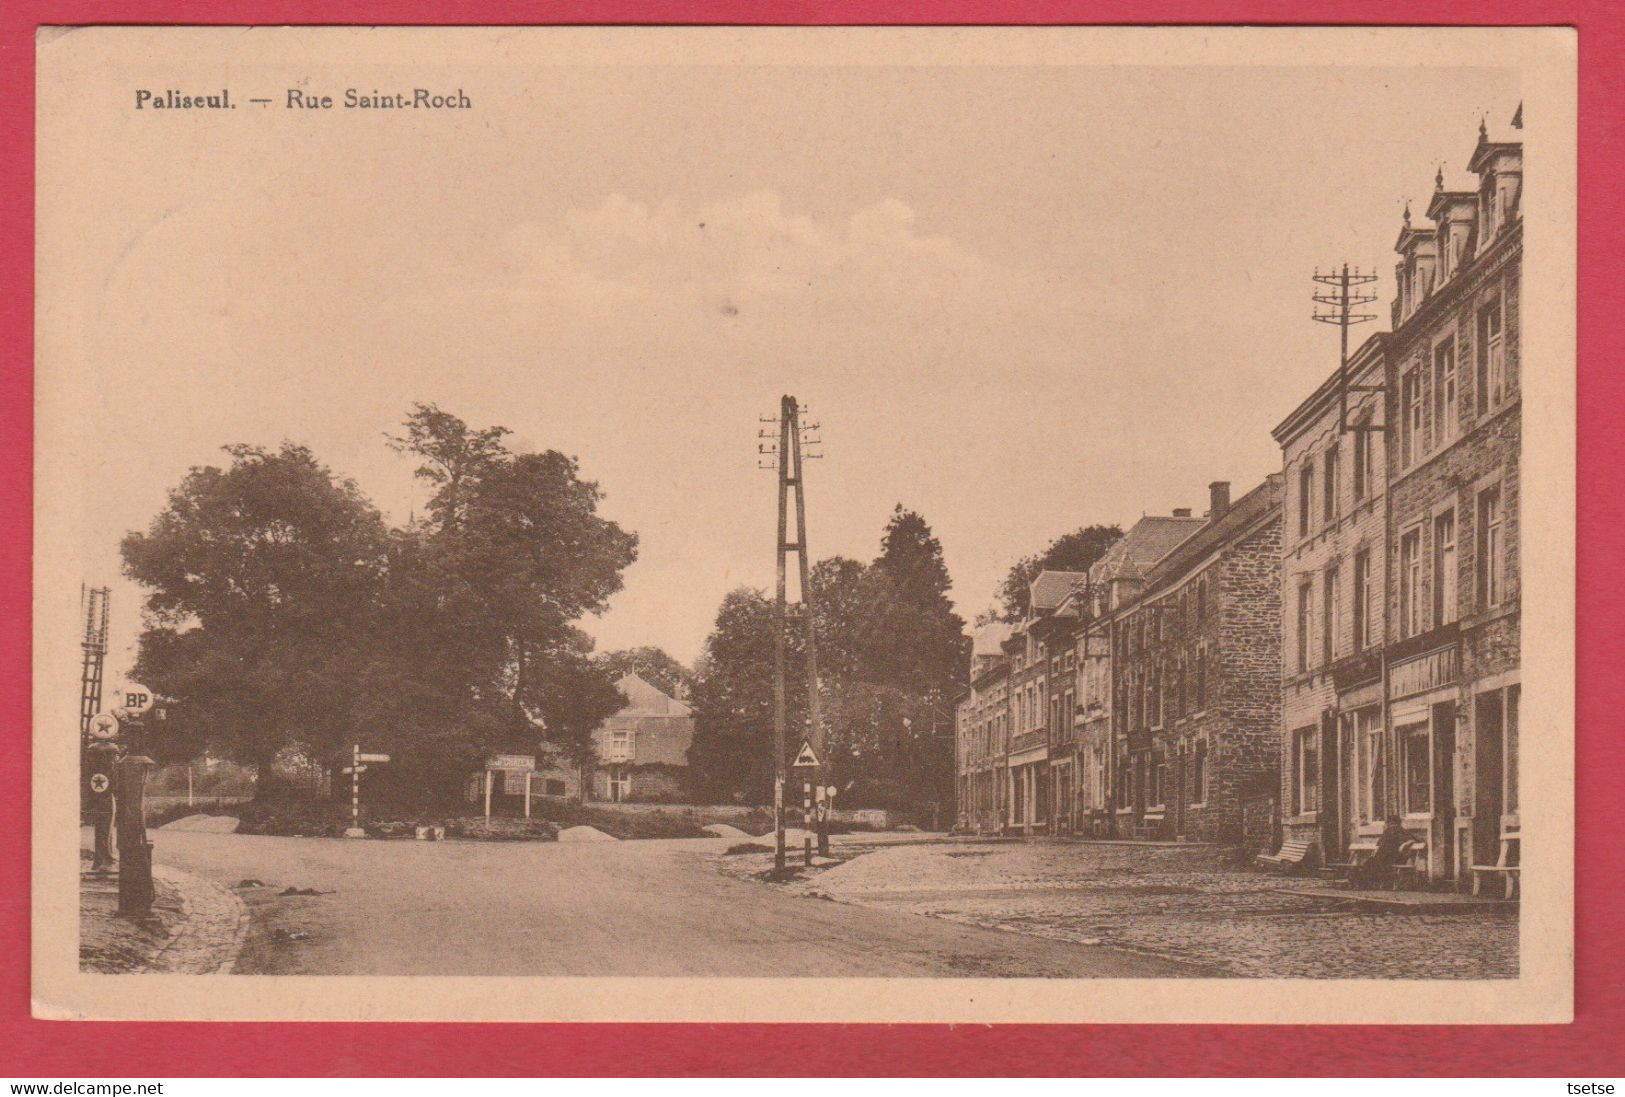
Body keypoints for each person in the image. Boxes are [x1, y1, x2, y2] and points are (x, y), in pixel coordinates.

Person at [1353, 815, 1410, 888]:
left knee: (1372, 864)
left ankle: (1362, 882)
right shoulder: (1388, 832)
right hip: (1385, 856)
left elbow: (1412, 839)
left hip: (1391, 857)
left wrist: (1404, 844)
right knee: (1371, 863)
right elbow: (1378, 845)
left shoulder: (1399, 830)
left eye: (1387, 823)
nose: (1386, 825)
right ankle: (1362, 882)